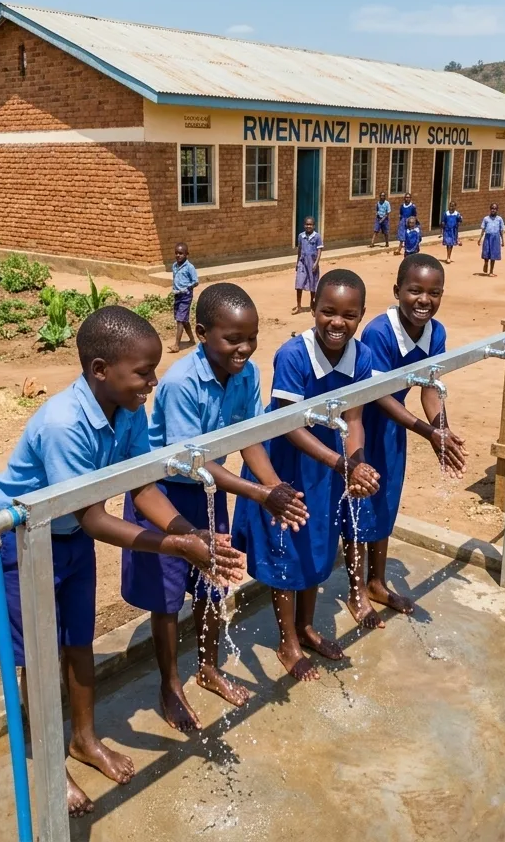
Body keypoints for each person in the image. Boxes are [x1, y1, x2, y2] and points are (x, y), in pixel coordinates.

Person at [0, 305, 244, 815]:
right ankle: (47, 763)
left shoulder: (128, 408)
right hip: (24, 539)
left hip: (67, 536)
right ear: (100, 369)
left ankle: (84, 739)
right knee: (36, 657)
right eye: (143, 373)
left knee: (78, 643)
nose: (151, 383)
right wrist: (176, 545)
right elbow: (94, 518)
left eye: (152, 372)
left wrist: (193, 534)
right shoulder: (64, 423)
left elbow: (141, 484)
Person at [121, 283, 309, 729]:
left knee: (212, 587)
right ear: (202, 333)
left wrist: (275, 486)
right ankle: (170, 685)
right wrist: (261, 495)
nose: (244, 348)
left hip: (209, 491)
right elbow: (193, 460)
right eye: (233, 339)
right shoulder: (183, 382)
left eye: (252, 337)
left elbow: (246, 441)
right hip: (164, 494)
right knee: (166, 600)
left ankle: (208, 666)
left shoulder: (244, 375)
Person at [231, 269, 380, 680]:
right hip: (285, 462)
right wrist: (342, 464)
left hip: (327, 464)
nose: (337, 322)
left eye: (349, 315)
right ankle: (288, 642)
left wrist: (358, 462)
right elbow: (288, 424)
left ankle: (306, 626)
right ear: (313, 308)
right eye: (328, 311)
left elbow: (355, 418)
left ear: (361, 315)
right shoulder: (293, 355)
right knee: (287, 547)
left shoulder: (361, 357)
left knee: (317, 544)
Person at [341, 254, 465, 628]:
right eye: (415, 291)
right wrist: (427, 431)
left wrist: (441, 428)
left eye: (434, 292)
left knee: (385, 504)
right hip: (363, 427)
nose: (423, 300)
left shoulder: (435, 333)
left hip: (396, 431)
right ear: (398, 291)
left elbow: (429, 388)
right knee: (358, 508)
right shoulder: (379, 332)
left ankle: (377, 582)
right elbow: (379, 394)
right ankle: (356, 590)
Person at [169, 242, 197, 353]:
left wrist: (186, 288)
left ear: (186, 254)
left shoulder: (190, 267)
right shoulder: (174, 266)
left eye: (181, 253)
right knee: (183, 319)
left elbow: (195, 281)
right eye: (176, 253)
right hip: (177, 295)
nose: (178, 255)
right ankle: (192, 339)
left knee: (180, 319)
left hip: (186, 295)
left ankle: (176, 345)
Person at [293, 216, 322, 315]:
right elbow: (299, 250)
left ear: (314, 226)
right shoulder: (301, 236)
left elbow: (319, 251)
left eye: (310, 225)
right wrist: (297, 263)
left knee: (313, 285)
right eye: (306, 224)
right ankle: (299, 306)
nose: (308, 226)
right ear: (304, 225)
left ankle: (312, 306)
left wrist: (316, 263)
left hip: (312, 263)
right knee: (299, 284)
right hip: (302, 262)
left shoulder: (317, 237)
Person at [478, 203, 505, 277]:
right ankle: (486, 263)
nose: (493, 210)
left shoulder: (499, 219)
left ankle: (491, 271)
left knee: (494, 254)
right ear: (490, 209)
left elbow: (501, 230)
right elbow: (483, 229)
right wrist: (480, 239)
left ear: (497, 210)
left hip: (496, 238)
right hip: (487, 237)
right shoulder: (486, 218)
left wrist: (502, 240)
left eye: (495, 209)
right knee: (486, 252)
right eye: (492, 208)